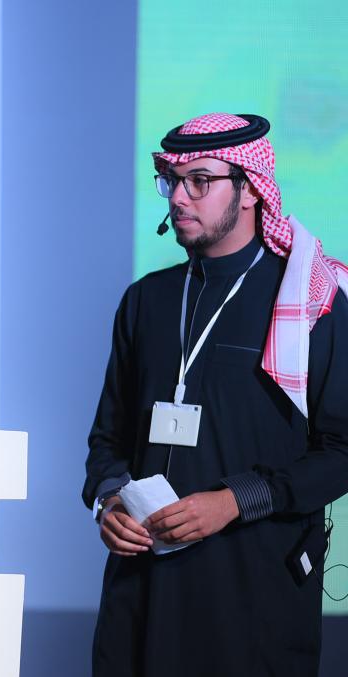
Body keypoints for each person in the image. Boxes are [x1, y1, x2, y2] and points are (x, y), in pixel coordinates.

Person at [83, 113, 348, 676]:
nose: (179, 197)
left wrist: (233, 501)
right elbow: (107, 439)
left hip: (253, 595)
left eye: (199, 181)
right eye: (172, 180)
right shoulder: (146, 300)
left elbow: (342, 452)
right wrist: (110, 502)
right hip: (142, 594)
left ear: (250, 190)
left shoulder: (311, 302)